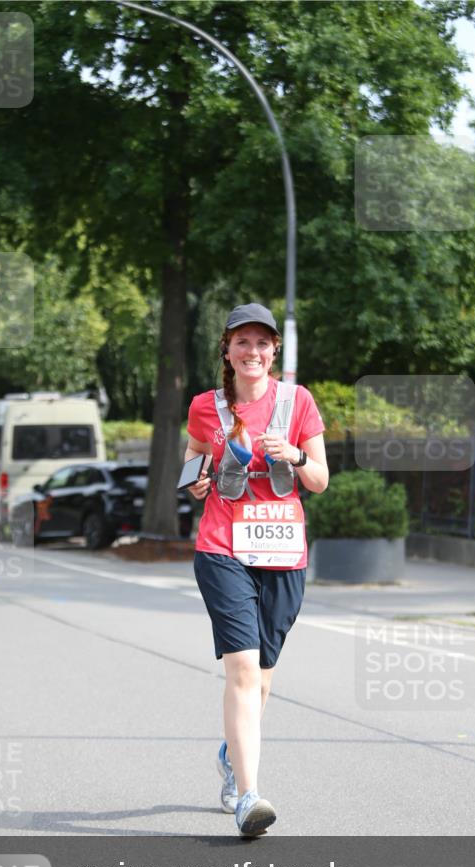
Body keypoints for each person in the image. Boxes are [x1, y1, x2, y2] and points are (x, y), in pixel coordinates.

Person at [185, 303, 328, 836]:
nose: (252, 351)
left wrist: (292, 453)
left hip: (284, 551)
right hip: (222, 548)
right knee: (243, 671)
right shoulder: (206, 406)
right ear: (227, 349)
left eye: (262, 342)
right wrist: (197, 480)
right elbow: (193, 463)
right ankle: (249, 797)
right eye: (242, 342)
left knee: (263, 678)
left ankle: (230, 754)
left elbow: (320, 480)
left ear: (274, 351)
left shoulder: (297, 401)